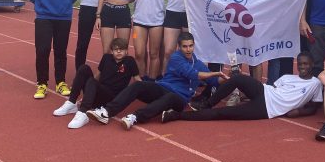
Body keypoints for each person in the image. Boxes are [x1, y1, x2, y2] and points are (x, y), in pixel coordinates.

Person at [86, 32, 228, 129]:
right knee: (139, 85)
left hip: (179, 99)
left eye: (191, 45)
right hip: (163, 88)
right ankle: (106, 112)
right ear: (179, 47)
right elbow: (193, 74)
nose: (188, 49)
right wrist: (215, 72)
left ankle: (135, 117)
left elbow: (215, 82)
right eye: (185, 46)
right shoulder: (176, 58)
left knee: (171, 97)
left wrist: (228, 77)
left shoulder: (198, 63)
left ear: (194, 45)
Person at [162, 52, 323, 122]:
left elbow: (314, 107)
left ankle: (177, 116)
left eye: (305, 64)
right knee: (237, 77)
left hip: (267, 109)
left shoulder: (315, 83)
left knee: (222, 114)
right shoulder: (288, 77)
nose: (302, 67)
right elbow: (271, 87)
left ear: (312, 65)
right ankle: (207, 102)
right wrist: (246, 94)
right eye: (300, 63)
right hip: (264, 91)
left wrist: (299, 112)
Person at [24, 0, 82, 99]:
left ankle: (60, 82)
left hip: (63, 17)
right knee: (42, 50)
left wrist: (65, 3)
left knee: (60, 50)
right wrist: (42, 4)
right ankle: (42, 83)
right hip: (44, 16)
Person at [53, 38, 141, 129]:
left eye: (121, 49)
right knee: (84, 68)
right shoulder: (106, 58)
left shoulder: (130, 61)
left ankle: (83, 112)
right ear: (112, 51)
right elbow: (97, 76)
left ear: (126, 51)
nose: (118, 51)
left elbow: (138, 81)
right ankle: (71, 102)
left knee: (92, 81)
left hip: (111, 98)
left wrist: (146, 90)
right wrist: (89, 91)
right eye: (116, 49)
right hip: (99, 92)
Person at [132, 0, 166, 81]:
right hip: (139, 22)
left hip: (157, 22)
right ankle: (141, 78)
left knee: (154, 53)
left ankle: (152, 80)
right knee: (139, 53)